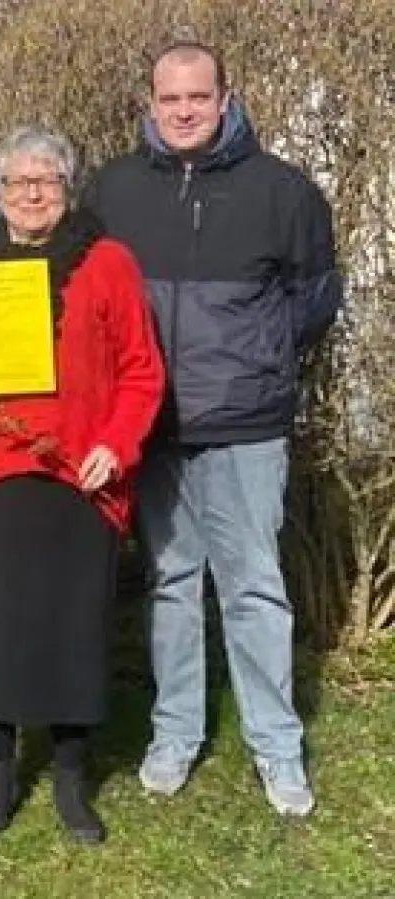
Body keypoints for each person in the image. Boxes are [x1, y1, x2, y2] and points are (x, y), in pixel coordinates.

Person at [84, 41, 341, 819]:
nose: (184, 111)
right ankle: (175, 733)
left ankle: (277, 745)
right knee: (170, 583)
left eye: (198, 97)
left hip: (245, 425)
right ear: (150, 103)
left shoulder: (282, 190)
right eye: (170, 99)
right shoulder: (114, 189)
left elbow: (314, 300)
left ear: (225, 98)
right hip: (153, 425)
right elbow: (91, 297)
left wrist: (256, 360)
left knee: (254, 585)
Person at [0, 126, 165, 843]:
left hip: (80, 470)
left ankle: (69, 773)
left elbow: (142, 370)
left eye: (47, 180)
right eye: (17, 182)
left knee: (73, 623)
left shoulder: (109, 263)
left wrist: (115, 446)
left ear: (67, 187)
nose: (32, 194)